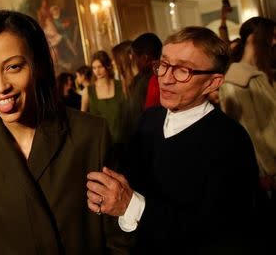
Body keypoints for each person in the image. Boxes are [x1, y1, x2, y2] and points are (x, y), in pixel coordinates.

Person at [0, 10, 132, 254]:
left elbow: (118, 236)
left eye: (13, 67)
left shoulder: (89, 135)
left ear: (38, 64)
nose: (0, 87)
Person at [86, 27, 262, 254]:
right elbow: (129, 185)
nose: (166, 79)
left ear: (212, 83)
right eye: (164, 65)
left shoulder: (230, 141)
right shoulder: (149, 119)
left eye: (183, 71)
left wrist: (133, 207)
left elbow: (222, 231)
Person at [220, 17, 276, 197]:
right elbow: (248, 132)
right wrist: (265, 171)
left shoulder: (262, 74)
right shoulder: (236, 81)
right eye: (270, 36)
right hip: (268, 170)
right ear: (253, 38)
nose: (274, 41)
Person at [81, 51, 127, 146]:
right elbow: (82, 119)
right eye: (94, 68)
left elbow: (129, 113)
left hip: (124, 141)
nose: (97, 71)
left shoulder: (121, 85)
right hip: (100, 143)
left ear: (108, 66)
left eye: (100, 67)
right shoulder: (88, 91)